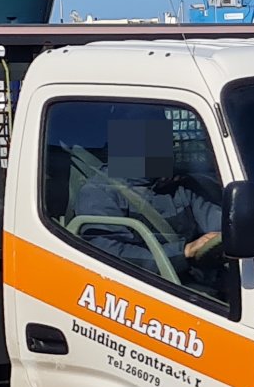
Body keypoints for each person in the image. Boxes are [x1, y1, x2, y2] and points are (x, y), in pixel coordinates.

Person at [70, 109, 221, 281]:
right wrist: (184, 251)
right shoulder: (99, 192)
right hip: (141, 286)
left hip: (193, 281)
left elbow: (217, 223)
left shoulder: (180, 185)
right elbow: (107, 254)